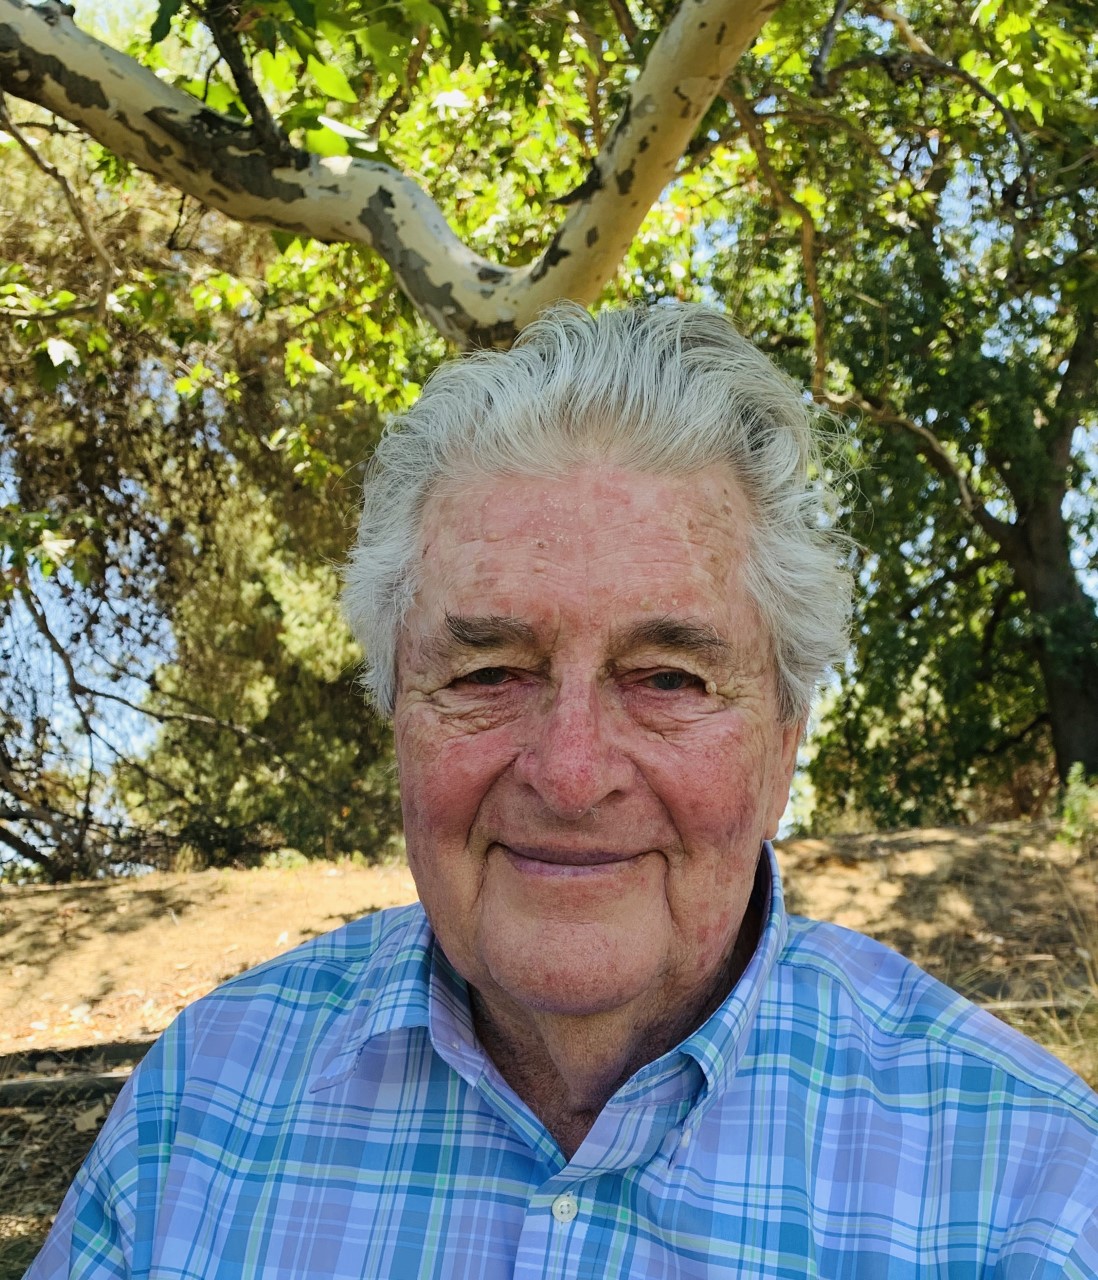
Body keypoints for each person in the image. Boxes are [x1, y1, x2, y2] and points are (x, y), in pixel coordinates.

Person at [29, 304, 1097, 1279]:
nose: (573, 773)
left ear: (781, 748)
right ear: (397, 712)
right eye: (488, 673)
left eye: (669, 678)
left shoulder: (1029, 1187)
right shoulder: (202, 1107)